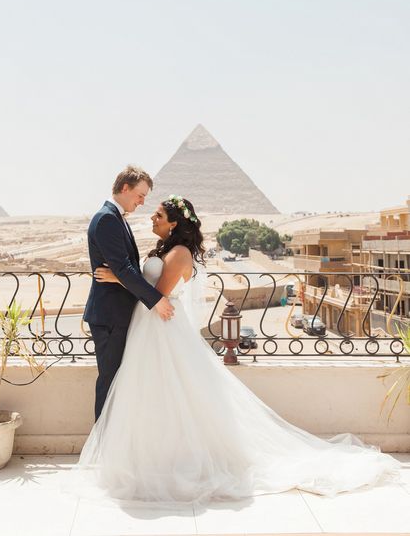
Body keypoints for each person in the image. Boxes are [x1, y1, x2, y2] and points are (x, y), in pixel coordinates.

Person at [77, 195, 402, 503]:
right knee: (151, 393)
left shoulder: (179, 254)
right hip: (150, 327)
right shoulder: (167, 248)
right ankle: (145, 456)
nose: (153, 217)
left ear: (174, 223)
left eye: (159, 215)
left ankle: (169, 459)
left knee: (169, 392)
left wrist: (119, 279)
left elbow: (156, 293)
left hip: (161, 326)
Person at [83, 166, 174, 421]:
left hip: (117, 313)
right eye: (140, 194)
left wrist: (118, 276)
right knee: (110, 382)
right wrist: (157, 300)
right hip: (110, 315)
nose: (143, 201)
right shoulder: (107, 219)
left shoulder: (116, 217)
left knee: (119, 382)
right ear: (125, 188)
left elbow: (123, 270)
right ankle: (102, 446)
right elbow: (123, 267)